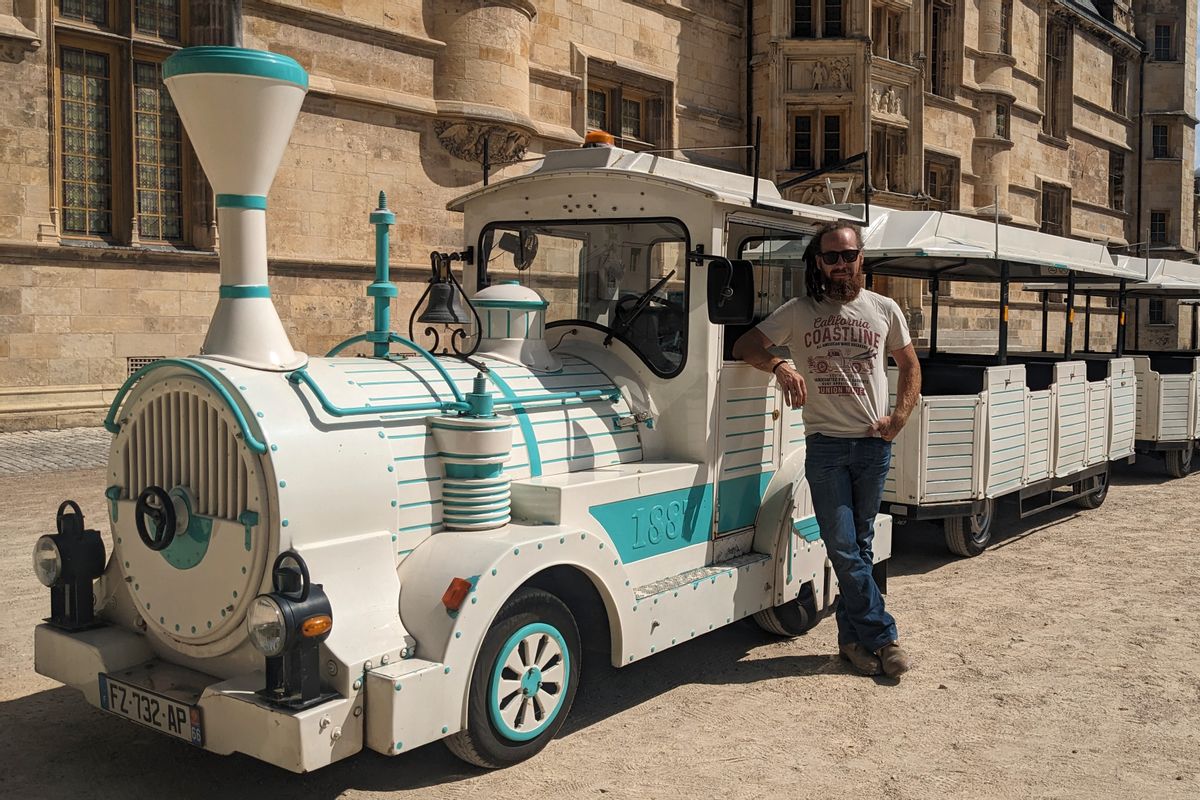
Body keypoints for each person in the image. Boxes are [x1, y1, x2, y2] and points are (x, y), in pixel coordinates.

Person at [732, 220, 921, 678]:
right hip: (826, 448)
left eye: (848, 255)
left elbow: (910, 366)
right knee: (842, 545)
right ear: (818, 262)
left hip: (873, 445)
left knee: (860, 545)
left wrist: (900, 418)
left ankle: (852, 643)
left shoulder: (884, 309)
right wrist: (780, 365)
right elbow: (745, 344)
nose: (841, 264)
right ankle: (884, 636)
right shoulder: (799, 311)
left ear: (861, 259)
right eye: (831, 256)